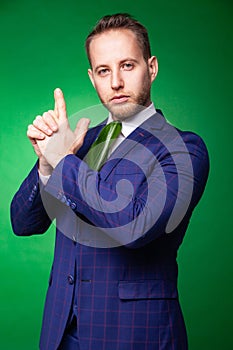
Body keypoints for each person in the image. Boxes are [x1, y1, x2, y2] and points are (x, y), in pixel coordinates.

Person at [10, 13, 209, 350]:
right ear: (93, 78)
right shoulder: (80, 144)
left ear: (152, 67)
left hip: (134, 335)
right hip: (60, 333)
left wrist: (62, 160)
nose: (115, 82)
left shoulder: (183, 149)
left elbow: (135, 226)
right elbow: (22, 223)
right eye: (104, 71)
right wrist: (46, 163)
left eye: (128, 66)